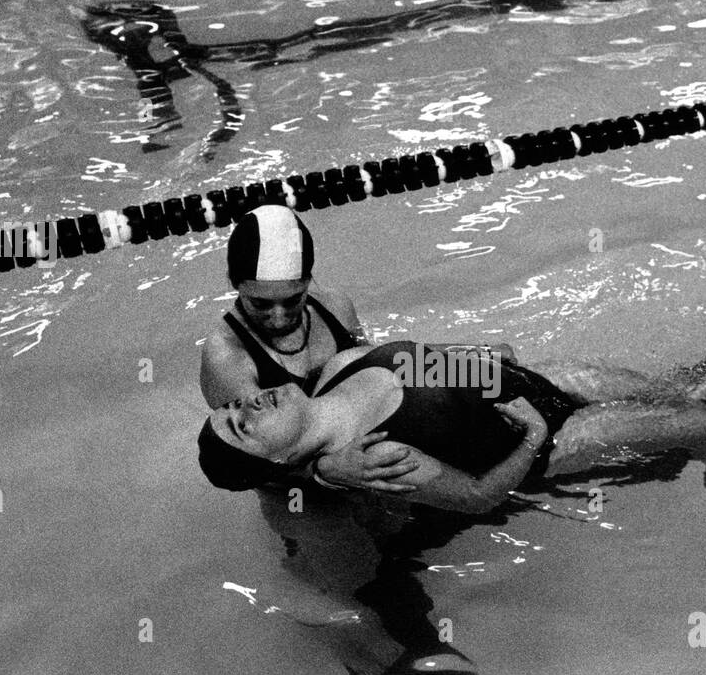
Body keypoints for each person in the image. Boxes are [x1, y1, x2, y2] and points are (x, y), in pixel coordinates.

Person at [198, 340, 706, 511]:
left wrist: (491, 360)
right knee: (700, 425)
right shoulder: (376, 457)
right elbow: (478, 497)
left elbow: (435, 358)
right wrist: (529, 437)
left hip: (534, 380)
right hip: (546, 439)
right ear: (274, 461)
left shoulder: (343, 366)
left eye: (235, 406)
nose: (247, 407)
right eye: (242, 427)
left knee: (668, 393)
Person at [199, 204, 514, 493]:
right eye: (261, 303)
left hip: (366, 458)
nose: (279, 317)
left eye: (294, 299)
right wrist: (325, 471)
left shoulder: (333, 305)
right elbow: (253, 459)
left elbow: (373, 364)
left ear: (309, 281)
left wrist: (471, 355)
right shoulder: (226, 356)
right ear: (233, 282)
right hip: (294, 489)